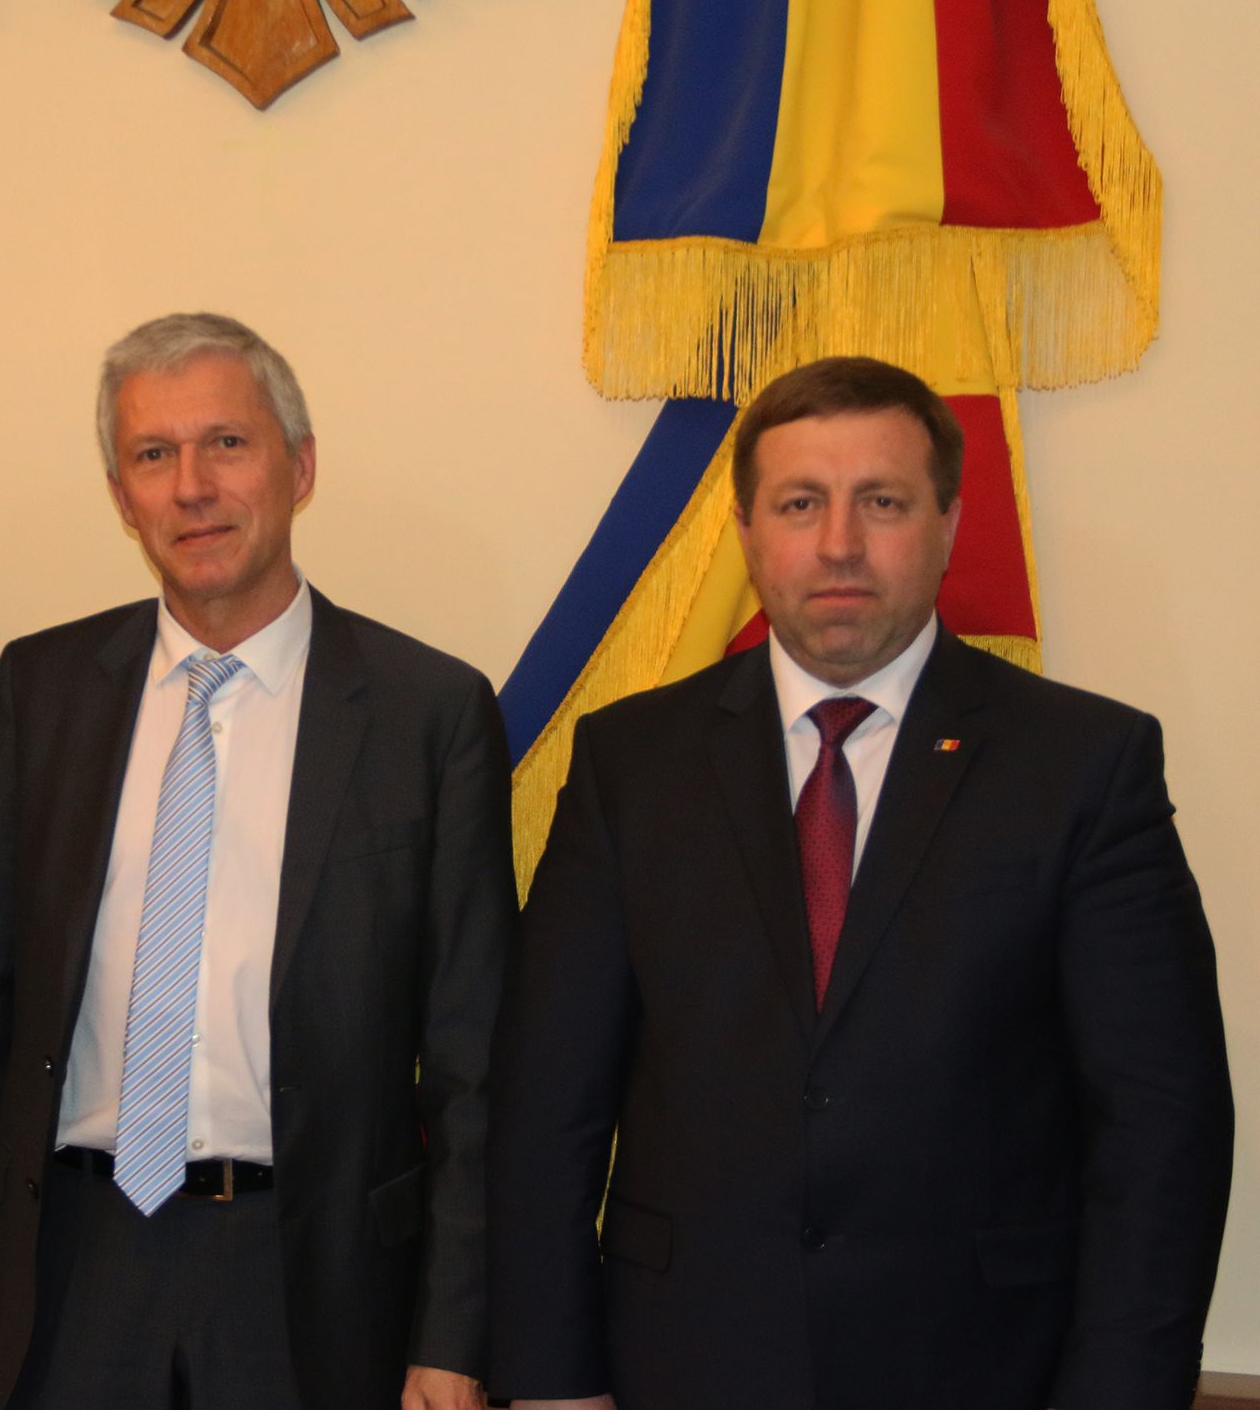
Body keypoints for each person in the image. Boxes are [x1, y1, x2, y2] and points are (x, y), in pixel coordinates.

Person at [486, 355, 1235, 1410]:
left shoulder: (1081, 766)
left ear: (948, 523)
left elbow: (1160, 1124)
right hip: (683, 1365)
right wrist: (550, 1382)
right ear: (747, 531)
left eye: (881, 501)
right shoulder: (630, 764)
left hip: (986, 1371)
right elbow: (545, 1101)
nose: (838, 542)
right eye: (800, 503)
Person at [0, 313, 514, 1410]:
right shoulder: (42, 689)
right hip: (72, 1264)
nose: (191, 487)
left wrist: (453, 1336)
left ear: (299, 467)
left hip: (308, 1280)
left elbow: (474, 1063)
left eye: (227, 443)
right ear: (121, 496)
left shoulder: (429, 713)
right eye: (152, 454)